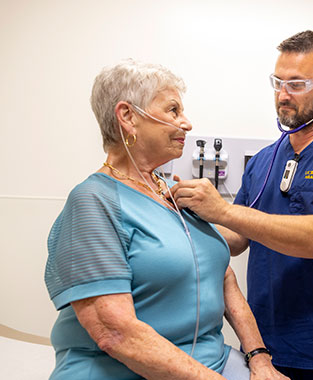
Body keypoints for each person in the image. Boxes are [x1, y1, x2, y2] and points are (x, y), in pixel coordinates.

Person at [44, 60, 288, 380]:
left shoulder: (172, 193)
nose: (186, 123)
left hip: (209, 361)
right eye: (173, 110)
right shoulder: (93, 202)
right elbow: (115, 334)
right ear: (128, 117)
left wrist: (258, 358)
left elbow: (223, 276)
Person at [170, 31, 313, 379]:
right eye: (277, 82)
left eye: (297, 84)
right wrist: (178, 219)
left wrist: (223, 209)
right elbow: (236, 239)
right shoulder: (264, 161)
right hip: (266, 348)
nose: (283, 95)